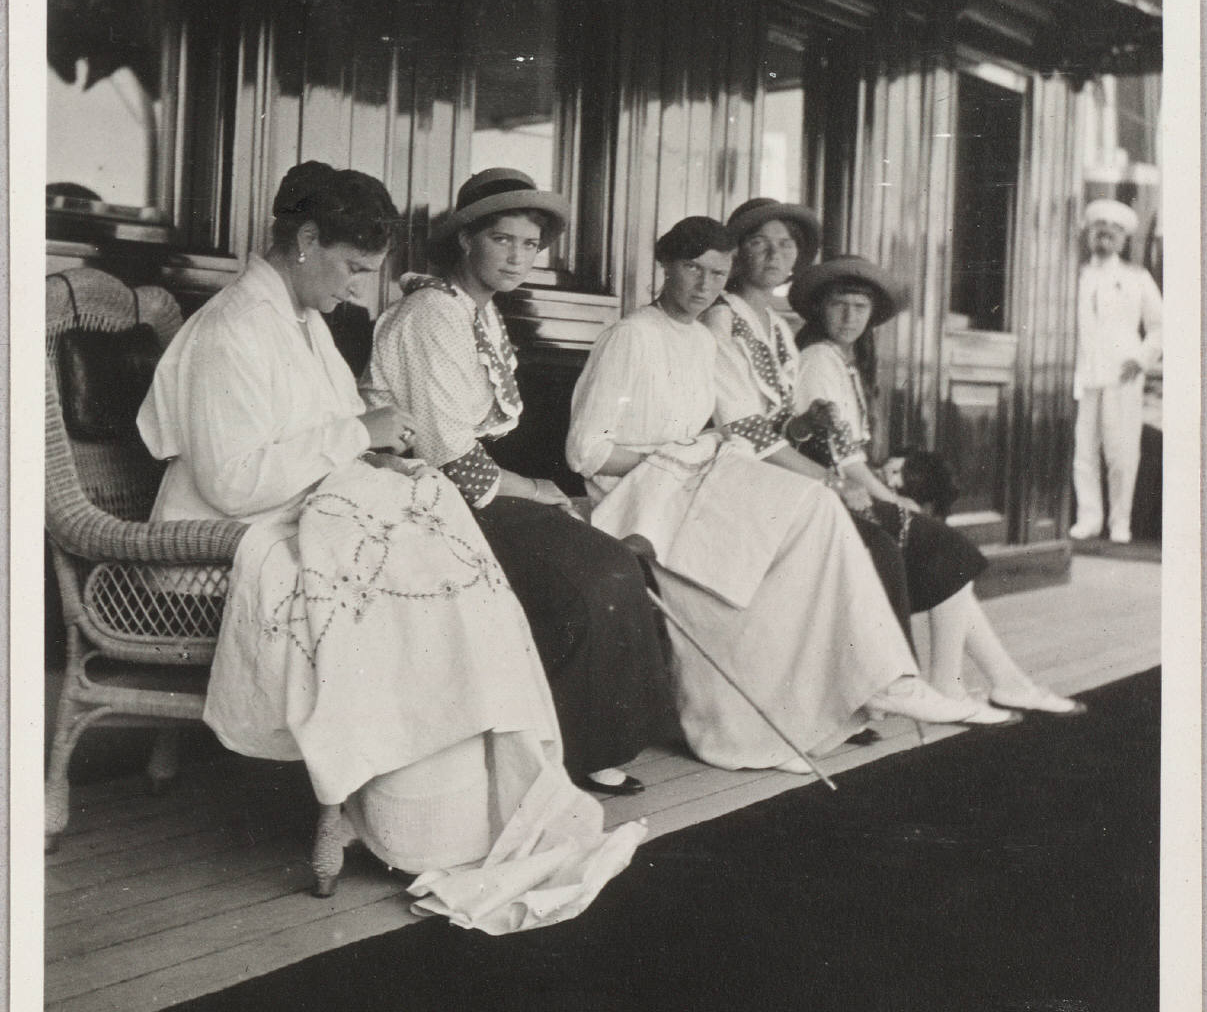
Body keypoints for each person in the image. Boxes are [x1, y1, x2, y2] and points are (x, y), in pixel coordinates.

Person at [137, 160, 644, 934]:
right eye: (350, 266)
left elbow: (332, 436)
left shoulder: (300, 320)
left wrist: (380, 455)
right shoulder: (233, 327)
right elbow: (233, 482)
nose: (354, 288)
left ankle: (474, 810)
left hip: (301, 509)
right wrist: (358, 437)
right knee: (420, 591)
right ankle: (419, 825)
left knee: (454, 569)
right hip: (224, 538)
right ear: (307, 240)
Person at [565, 215, 1006, 777]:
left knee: (818, 510)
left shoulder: (700, 339)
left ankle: (866, 687)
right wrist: (678, 456)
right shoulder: (631, 335)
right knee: (803, 519)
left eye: (716, 274)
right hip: (636, 502)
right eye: (692, 269)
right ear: (666, 267)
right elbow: (586, 452)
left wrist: (701, 455)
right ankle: (859, 689)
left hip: (685, 486)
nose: (703, 285)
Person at [363, 167, 675, 797]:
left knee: (615, 557)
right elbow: (452, 457)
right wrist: (536, 490)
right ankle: (577, 751)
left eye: (529, 245)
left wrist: (539, 491)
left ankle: (586, 738)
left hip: (461, 488)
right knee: (596, 573)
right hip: (419, 494)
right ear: (465, 240)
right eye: (502, 239)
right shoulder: (432, 314)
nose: (517, 257)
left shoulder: (477, 313)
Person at [791, 253, 1086, 717]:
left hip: (850, 491)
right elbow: (840, 457)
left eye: (859, 307)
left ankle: (998, 681)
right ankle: (961, 684)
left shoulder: (842, 361)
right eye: (838, 305)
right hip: (826, 496)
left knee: (945, 552)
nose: (849, 317)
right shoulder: (816, 361)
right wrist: (893, 499)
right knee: (946, 549)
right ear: (819, 310)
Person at [704, 198, 916, 653]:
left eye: (786, 245)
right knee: (873, 543)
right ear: (737, 253)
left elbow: (779, 427)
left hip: (776, 472)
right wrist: (832, 481)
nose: (774, 255)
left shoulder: (778, 328)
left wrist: (804, 425)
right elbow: (744, 430)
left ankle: (888, 672)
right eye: (759, 243)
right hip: (736, 476)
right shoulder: (723, 318)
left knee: (878, 539)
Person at [1070, 198, 1163, 544]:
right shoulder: (1076, 276)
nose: (1105, 235)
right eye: (1099, 228)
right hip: (1084, 375)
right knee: (1083, 453)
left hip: (1122, 376)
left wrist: (1140, 359)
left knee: (1121, 454)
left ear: (1123, 239)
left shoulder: (1136, 278)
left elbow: (1160, 326)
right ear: (1089, 234)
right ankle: (1089, 519)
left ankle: (1120, 522)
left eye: (1113, 230)